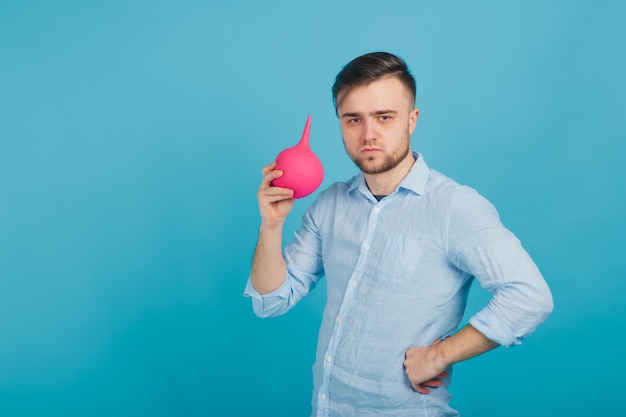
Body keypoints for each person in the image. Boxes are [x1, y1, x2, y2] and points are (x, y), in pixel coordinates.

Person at [244, 51, 553, 417]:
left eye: (384, 117)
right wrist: (271, 226)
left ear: (411, 120)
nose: (368, 134)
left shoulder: (454, 207)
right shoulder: (329, 205)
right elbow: (271, 301)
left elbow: (530, 297)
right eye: (353, 119)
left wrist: (440, 355)